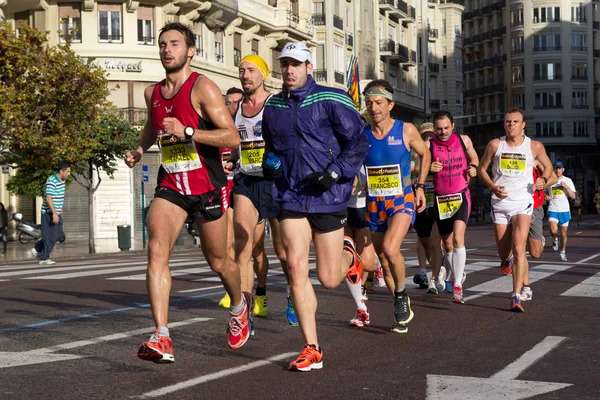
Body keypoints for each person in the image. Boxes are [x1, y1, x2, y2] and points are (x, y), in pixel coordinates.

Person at [123, 22, 250, 363]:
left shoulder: (203, 88)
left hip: (207, 186)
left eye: (175, 44)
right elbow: (153, 124)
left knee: (220, 262)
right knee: (155, 248)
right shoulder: (153, 93)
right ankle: (161, 335)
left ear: (190, 50)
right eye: (162, 44)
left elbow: (232, 137)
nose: (167, 49)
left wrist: (189, 130)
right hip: (172, 184)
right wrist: (139, 149)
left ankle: (239, 307)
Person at [262, 42, 369, 371]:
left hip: (328, 196)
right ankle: (312, 347)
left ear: (309, 66)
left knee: (329, 279)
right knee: (294, 267)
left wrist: (336, 171)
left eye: (296, 64)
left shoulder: (332, 98)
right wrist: (271, 163)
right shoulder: (274, 105)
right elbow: (272, 145)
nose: (289, 70)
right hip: (291, 194)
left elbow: (358, 140)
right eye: (285, 64)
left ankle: (350, 256)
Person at [220, 54, 295, 327]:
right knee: (243, 248)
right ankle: (244, 314)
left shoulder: (276, 104)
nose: (245, 75)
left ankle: (292, 294)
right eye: (241, 71)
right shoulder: (236, 107)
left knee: (284, 252)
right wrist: (231, 159)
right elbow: (232, 140)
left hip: (276, 182)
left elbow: (291, 138)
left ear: (263, 74)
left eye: (251, 70)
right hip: (246, 183)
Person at [362, 80, 431, 333]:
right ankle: (400, 307)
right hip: (374, 202)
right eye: (369, 102)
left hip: (401, 200)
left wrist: (420, 186)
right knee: (382, 258)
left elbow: (425, 154)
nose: (373, 107)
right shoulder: (363, 134)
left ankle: (402, 295)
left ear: (390, 104)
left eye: (378, 102)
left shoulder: (406, 130)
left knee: (391, 249)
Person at [478, 108, 553, 312]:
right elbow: (481, 170)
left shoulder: (534, 146)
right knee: (504, 252)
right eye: (508, 122)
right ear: (504, 125)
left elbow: (548, 167)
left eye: (515, 121)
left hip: (523, 202)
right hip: (501, 204)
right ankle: (507, 258)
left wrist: (543, 180)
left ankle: (516, 295)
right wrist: (492, 186)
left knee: (520, 248)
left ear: (523, 124)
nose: (511, 125)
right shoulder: (495, 145)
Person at [429, 111, 479, 304]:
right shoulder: (429, 145)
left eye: (446, 128)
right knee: (448, 245)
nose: (443, 132)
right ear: (435, 128)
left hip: (461, 196)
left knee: (459, 238)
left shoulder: (463, 140)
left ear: (452, 126)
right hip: (441, 200)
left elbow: (474, 158)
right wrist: (428, 168)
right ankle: (459, 273)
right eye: (439, 128)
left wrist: (473, 167)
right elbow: (416, 167)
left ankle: (457, 285)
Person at [411, 123, 445, 294]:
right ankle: (438, 269)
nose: (428, 139)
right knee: (425, 243)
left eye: (431, 135)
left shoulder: (444, 149)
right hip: (422, 200)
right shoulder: (417, 152)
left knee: (436, 241)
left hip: (440, 199)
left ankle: (435, 277)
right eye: (424, 136)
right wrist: (424, 168)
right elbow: (414, 168)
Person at [345, 165, 378, 327]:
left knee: (366, 261)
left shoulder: (369, 146)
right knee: (347, 256)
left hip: (364, 206)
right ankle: (361, 307)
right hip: (342, 206)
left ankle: (378, 260)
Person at [31, 162, 71, 265]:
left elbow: (58, 196)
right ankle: (43, 257)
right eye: (68, 171)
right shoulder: (51, 181)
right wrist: (54, 212)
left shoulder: (62, 181)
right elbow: (48, 198)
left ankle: (37, 248)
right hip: (49, 213)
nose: (69, 174)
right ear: (61, 171)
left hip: (56, 212)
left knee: (59, 235)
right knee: (51, 236)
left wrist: (59, 209)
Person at [546, 161, 576, 261]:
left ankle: (562, 251)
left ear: (563, 169)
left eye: (560, 168)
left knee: (563, 234)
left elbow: (573, 196)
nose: (558, 170)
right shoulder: (550, 180)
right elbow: (542, 192)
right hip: (553, 208)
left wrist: (566, 187)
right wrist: (545, 196)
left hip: (564, 210)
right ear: (553, 169)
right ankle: (555, 238)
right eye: (556, 168)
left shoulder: (568, 180)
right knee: (553, 230)